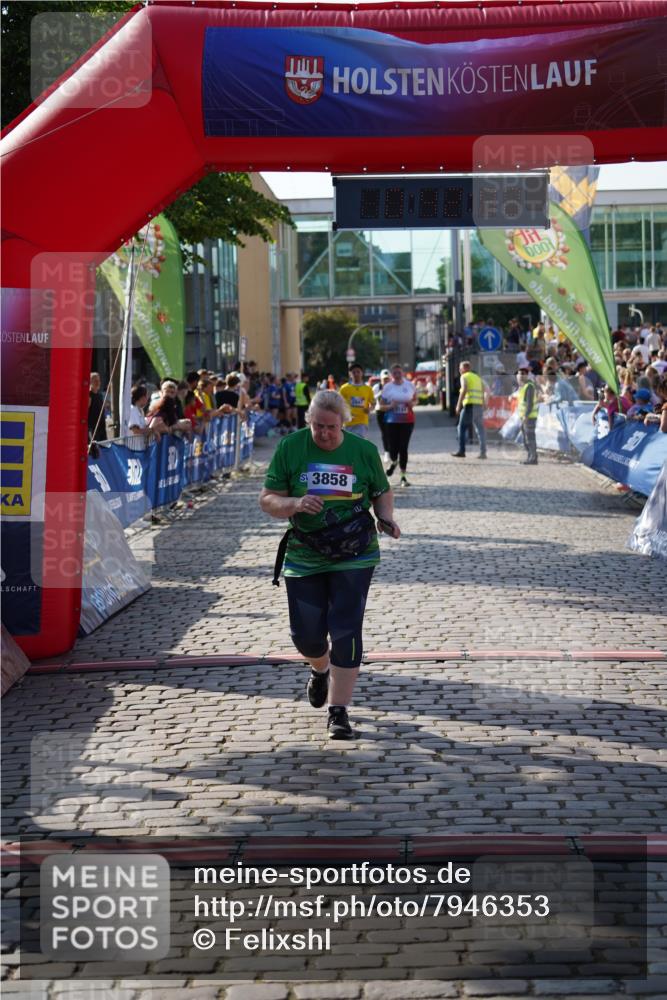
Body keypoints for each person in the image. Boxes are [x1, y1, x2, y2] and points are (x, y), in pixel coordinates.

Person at [259, 390, 400, 740]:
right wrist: (293, 503)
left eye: (331, 428)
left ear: (343, 425)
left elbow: (381, 490)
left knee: (346, 628)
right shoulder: (290, 448)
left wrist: (385, 517)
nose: (323, 433)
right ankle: (319, 669)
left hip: (356, 552)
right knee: (305, 635)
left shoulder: (363, 451)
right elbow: (267, 500)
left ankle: (339, 710)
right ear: (309, 421)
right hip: (306, 554)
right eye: (317, 426)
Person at [378, 364, 417, 486]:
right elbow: (380, 406)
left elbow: (416, 399)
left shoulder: (409, 385)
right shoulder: (387, 387)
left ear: (403, 373)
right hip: (391, 422)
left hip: (407, 421)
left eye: (399, 372)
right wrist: (390, 406)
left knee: (403, 448)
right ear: (391, 375)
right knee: (393, 449)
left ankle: (403, 477)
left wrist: (412, 404)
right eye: (394, 373)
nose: (397, 375)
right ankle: (394, 462)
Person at [452, 360, 487, 459]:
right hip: (478, 406)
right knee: (480, 429)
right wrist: (484, 403)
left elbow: (464, 389)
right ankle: (483, 452)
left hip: (469, 406)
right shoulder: (477, 377)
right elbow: (484, 390)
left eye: (460, 368)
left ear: (465, 368)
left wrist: (458, 405)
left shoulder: (464, 376)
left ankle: (461, 451)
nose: (459, 370)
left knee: (461, 428)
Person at [339, 363, 375, 439]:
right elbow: (338, 403)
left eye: (358, 372)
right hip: (348, 421)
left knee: (359, 441)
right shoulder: (344, 388)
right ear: (350, 374)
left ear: (362, 373)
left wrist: (369, 409)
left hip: (362, 422)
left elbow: (373, 403)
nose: (356, 374)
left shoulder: (368, 389)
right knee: (349, 443)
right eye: (353, 372)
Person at [515, 363, 538, 464]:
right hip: (524, 417)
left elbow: (530, 403)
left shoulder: (529, 386)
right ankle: (530, 457)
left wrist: (526, 415)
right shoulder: (523, 386)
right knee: (526, 439)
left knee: (530, 438)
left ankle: (533, 458)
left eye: (522, 374)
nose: (520, 376)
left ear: (526, 375)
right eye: (519, 374)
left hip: (529, 417)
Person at [373, 369, 392, 462]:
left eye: (387, 379)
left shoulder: (393, 387)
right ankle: (386, 452)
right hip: (380, 411)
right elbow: (372, 398)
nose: (386, 381)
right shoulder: (377, 387)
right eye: (384, 379)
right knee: (384, 432)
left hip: (391, 412)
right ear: (381, 379)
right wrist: (380, 393)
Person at [88, 372, 108, 443]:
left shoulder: (100, 396)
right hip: (93, 429)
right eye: (95, 381)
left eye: (99, 380)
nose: (98, 383)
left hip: (102, 428)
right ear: (90, 382)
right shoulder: (89, 395)